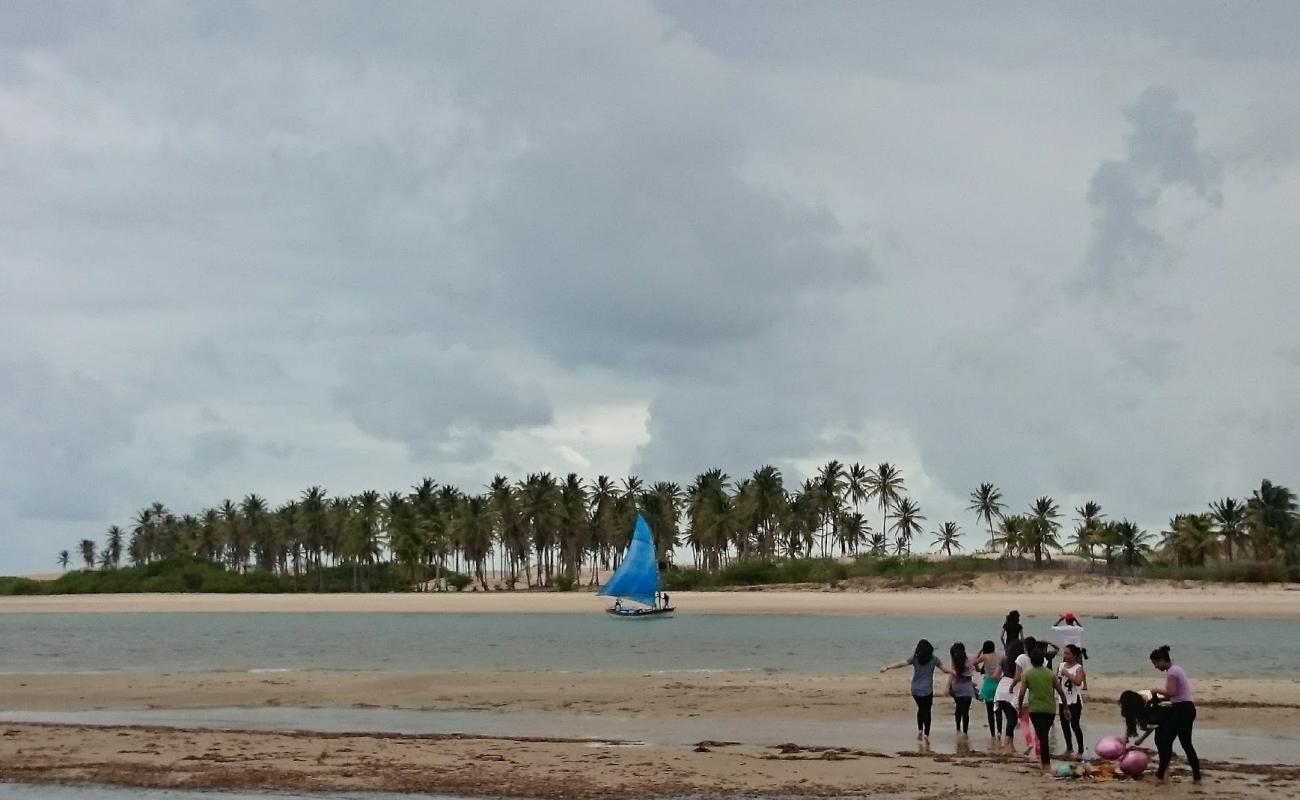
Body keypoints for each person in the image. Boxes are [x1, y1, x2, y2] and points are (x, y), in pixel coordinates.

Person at [1121, 645, 1201, 785]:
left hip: (1181, 710)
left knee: (1165, 742)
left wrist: (1155, 690)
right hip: (1185, 708)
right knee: (1186, 744)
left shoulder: (1172, 672)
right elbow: (1175, 696)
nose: (1156, 667)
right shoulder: (1176, 669)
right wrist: (1158, 699)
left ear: (1162, 660)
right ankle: (1196, 777)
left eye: (1156, 663)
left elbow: (1172, 693)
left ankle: (1160, 776)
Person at [881, 638, 949, 746]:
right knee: (927, 711)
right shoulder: (934, 659)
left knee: (921, 709)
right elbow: (945, 670)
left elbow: (901, 664)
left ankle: (919, 730)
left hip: (915, 690)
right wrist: (956, 672)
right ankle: (926, 734)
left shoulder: (915, 659)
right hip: (927, 690)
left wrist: (887, 667)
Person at [1017, 646, 1071, 774]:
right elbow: (1061, 692)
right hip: (1050, 709)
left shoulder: (1027, 674)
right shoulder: (1050, 673)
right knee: (1043, 735)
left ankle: (1046, 764)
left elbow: (1021, 694)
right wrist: (1065, 708)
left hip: (1035, 710)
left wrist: (1019, 709)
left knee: (1042, 736)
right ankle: (1044, 761)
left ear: (1031, 660)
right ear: (1043, 660)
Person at [1057, 643, 1087, 758]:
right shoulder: (1061, 665)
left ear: (1074, 655)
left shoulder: (1078, 668)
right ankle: (1069, 748)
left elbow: (1079, 682)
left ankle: (1080, 750)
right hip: (1062, 699)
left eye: (1068, 653)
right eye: (1064, 653)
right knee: (1064, 725)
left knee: (1075, 725)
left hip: (1074, 700)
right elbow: (1057, 680)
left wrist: (1068, 674)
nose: (1066, 656)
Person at [992, 639, 1023, 752]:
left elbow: (995, 676)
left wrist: (1003, 681)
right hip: (1013, 689)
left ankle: (1011, 745)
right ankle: (1005, 744)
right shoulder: (1020, 661)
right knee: (1012, 718)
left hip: (1001, 688)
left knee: (1010, 717)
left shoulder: (1004, 659)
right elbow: (1018, 677)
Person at [972, 640, 1002, 740]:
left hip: (988, 683)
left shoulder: (984, 657)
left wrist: (980, 651)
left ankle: (992, 734)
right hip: (998, 684)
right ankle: (999, 732)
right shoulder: (999, 656)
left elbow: (973, 662)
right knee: (998, 710)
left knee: (990, 711)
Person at [947, 642, 975, 736]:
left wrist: (949, 687)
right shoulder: (970, 658)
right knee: (966, 711)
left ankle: (958, 729)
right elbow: (977, 661)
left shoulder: (955, 660)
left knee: (958, 708)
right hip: (967, 686)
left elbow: (952, 674)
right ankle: (965, 732)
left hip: (957, 686)